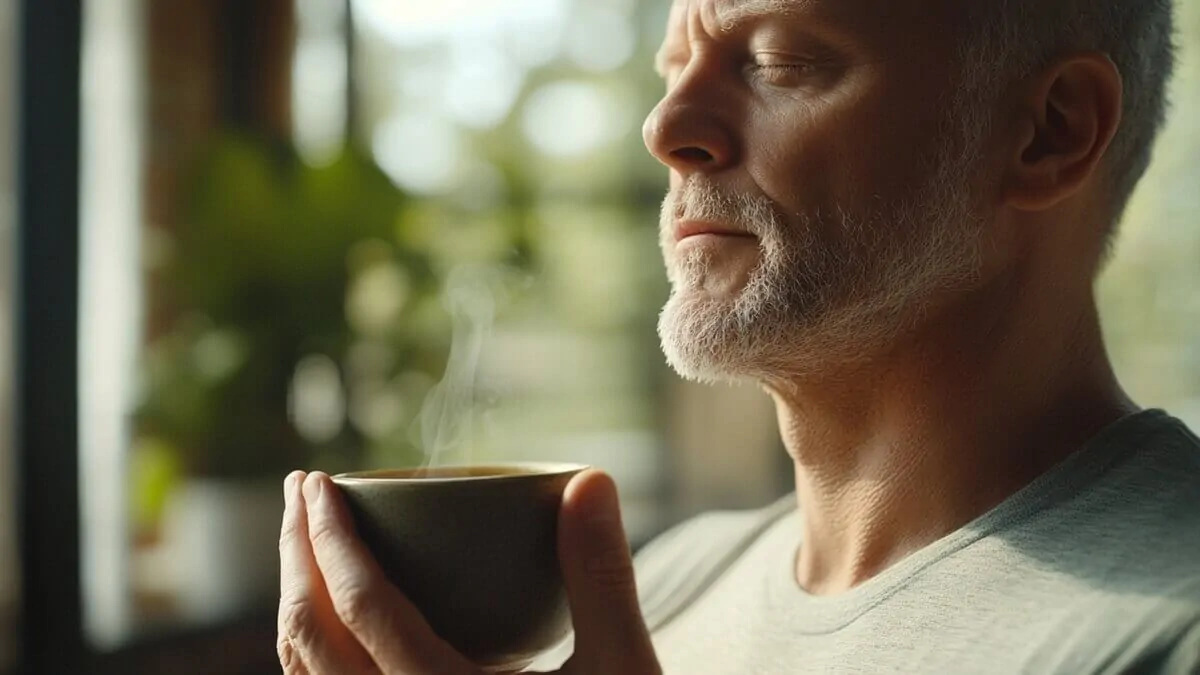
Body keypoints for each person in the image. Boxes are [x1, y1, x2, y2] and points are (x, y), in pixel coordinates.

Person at [276, 0, 1200, 672]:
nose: (665, 126)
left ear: (1049, 131)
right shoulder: (652, 592)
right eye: (675, 66)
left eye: (777, 61)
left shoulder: (1168, 627)